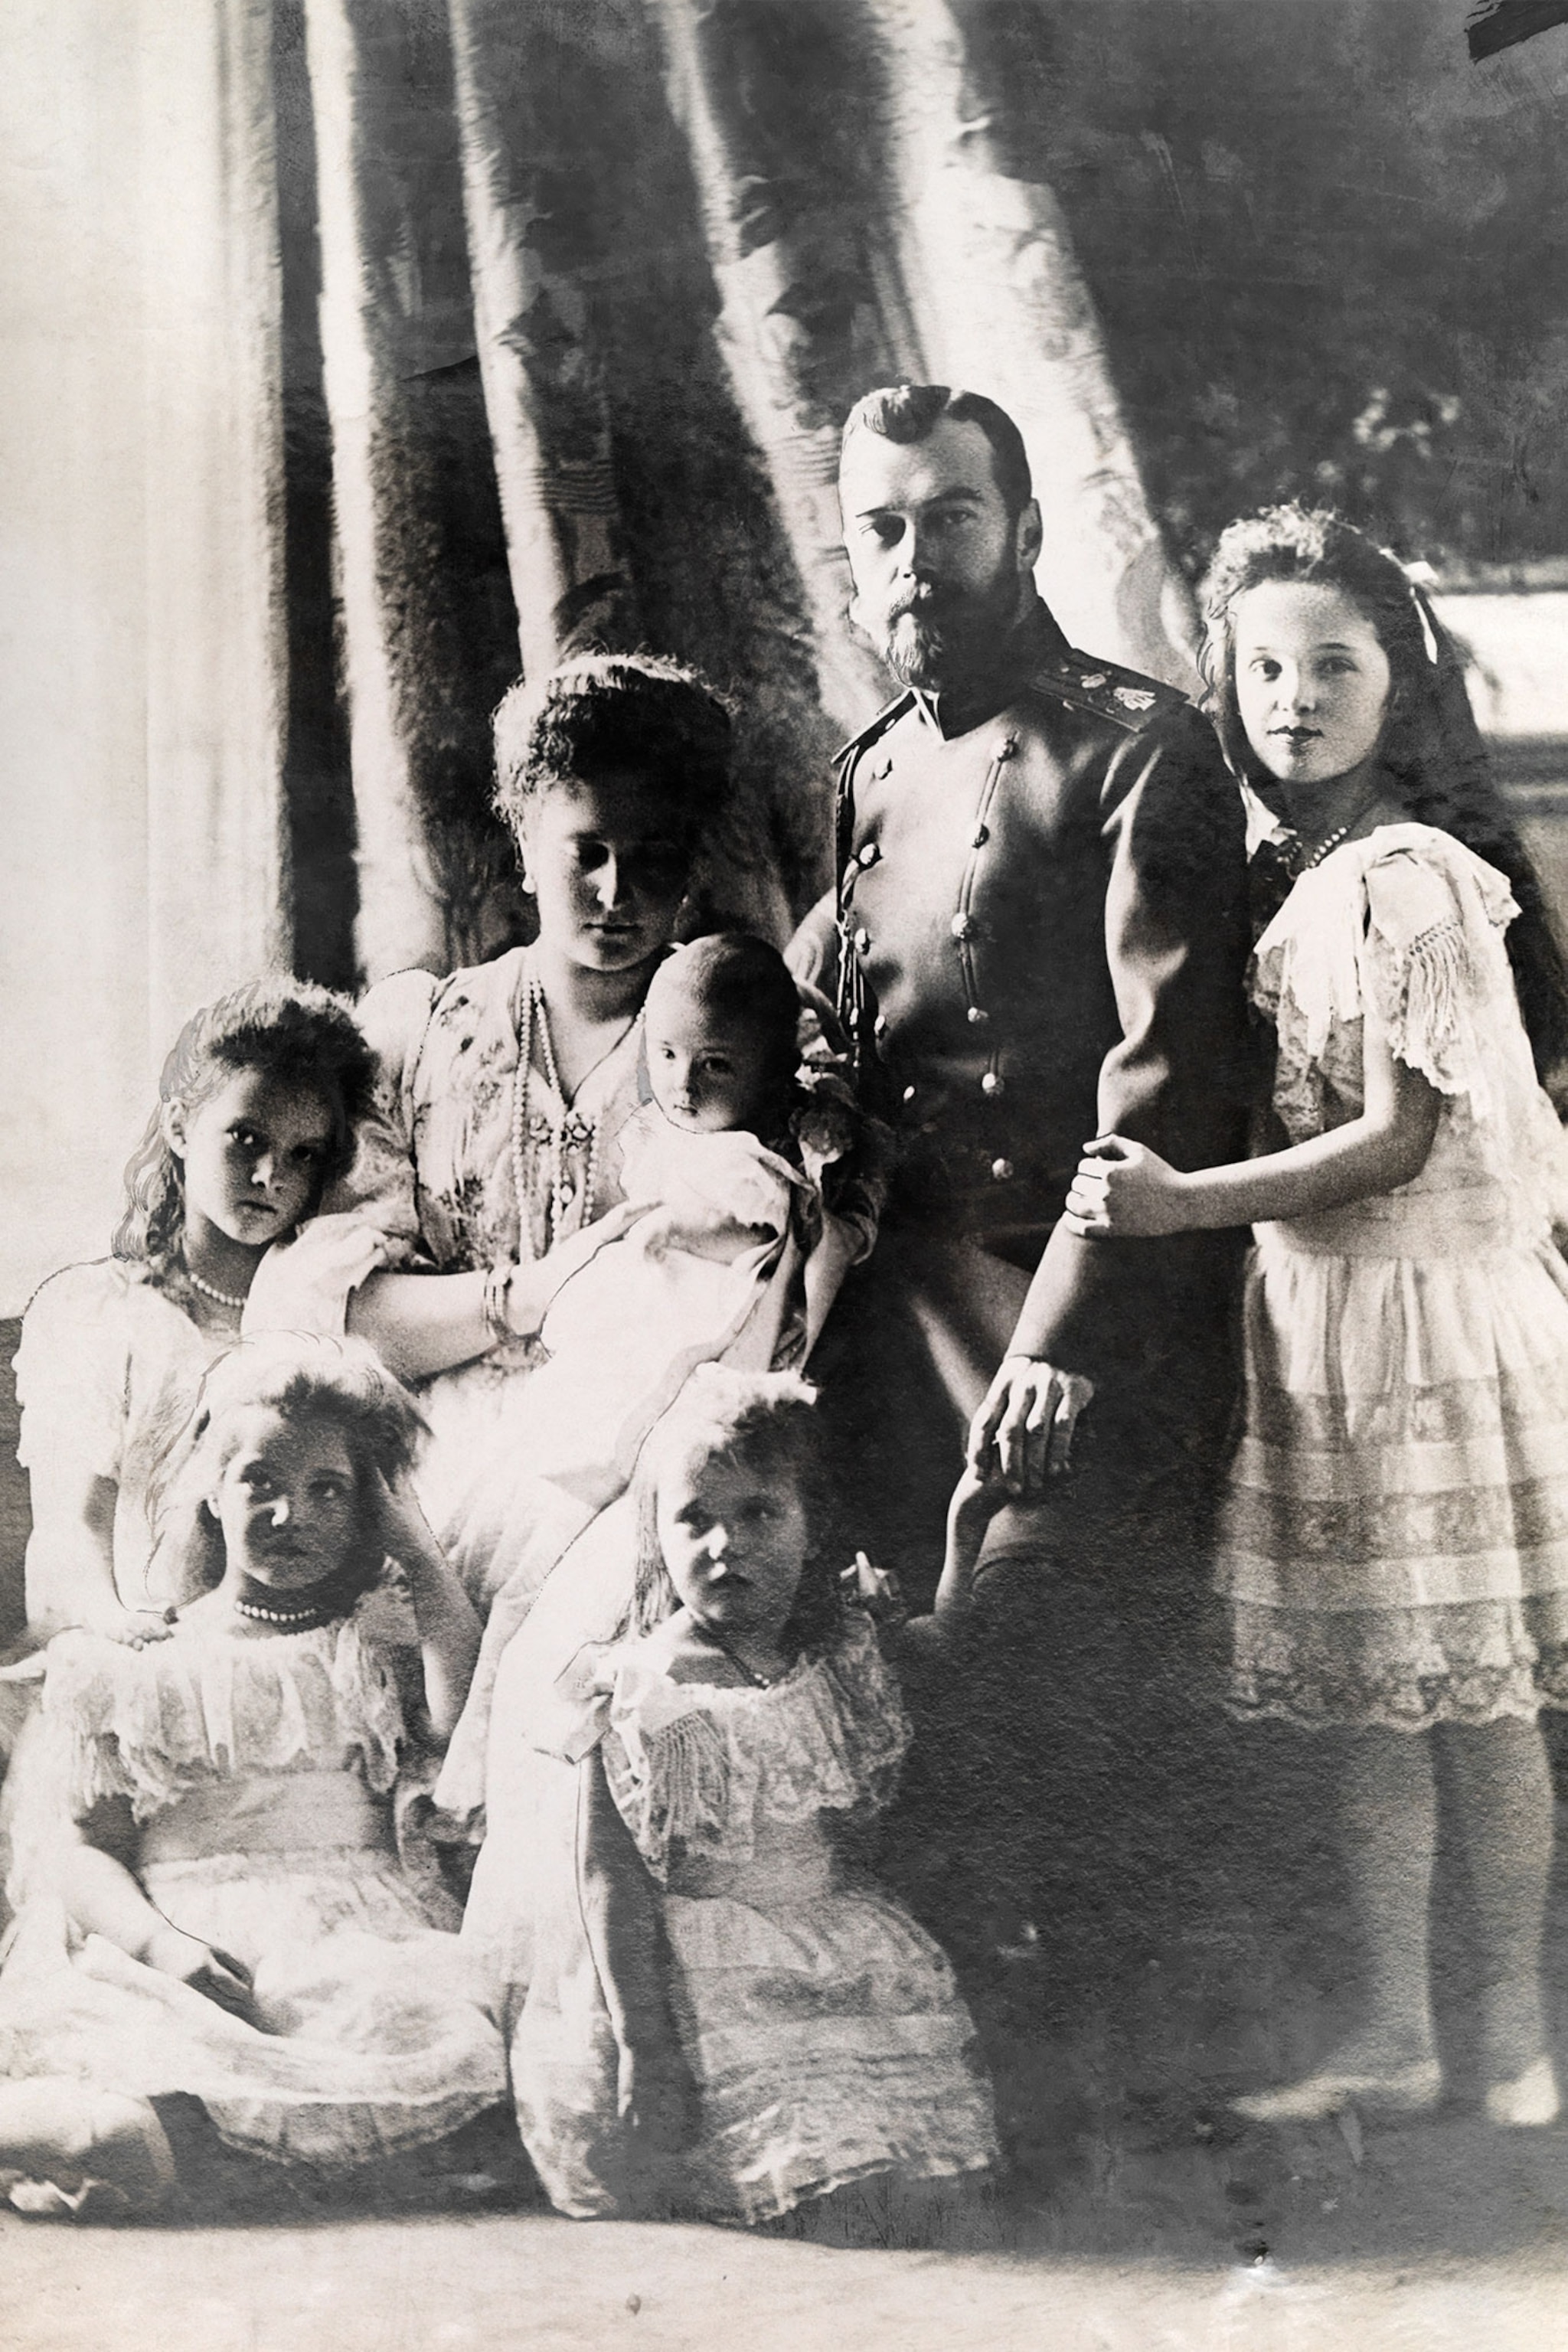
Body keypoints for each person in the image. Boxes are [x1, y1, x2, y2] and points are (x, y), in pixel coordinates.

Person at [1067, 505, 1568, 2129]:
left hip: (1413, 1325)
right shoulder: (1304, 876)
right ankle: (1401, 2030)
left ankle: (1511, 2037)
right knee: (1376, 1706)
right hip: (1330, 1325)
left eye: (1330, 666)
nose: (1292, 698)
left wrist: (1179, 1202)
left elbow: (1395, 1141)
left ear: (1396, 688)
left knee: (1473, 1703)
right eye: (1262, 667)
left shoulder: (1408, 880)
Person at [786, 382, 1254, 1981]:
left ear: (1028, 531)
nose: (918, 559)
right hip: (892, 1315)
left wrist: (1061, 1344)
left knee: (1015, 1651)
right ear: (854, 559)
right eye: (884, 529)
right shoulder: (862, 778)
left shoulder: (1142, 752)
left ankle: (1084, 2078)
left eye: (953, 518)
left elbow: (1167, 1082)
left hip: (1089, 1311)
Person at [485, 1365, 1001, 2233]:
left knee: (939, 2172)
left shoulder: (836, 1654)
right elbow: (605, 1877)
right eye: (694, 1519)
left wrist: (965, 1526)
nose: (724, 1545)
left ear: (811, 1530)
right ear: (657, 1538)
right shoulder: (634, 1685)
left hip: (828, 1936)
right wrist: (644, 2047)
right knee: (824, 2175)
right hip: (697, 1965)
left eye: (757, 1513)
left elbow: (942, 1662)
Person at [0, 1335, 507, 2218]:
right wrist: (167, 1948)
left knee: (435, 2040)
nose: (290, 1514)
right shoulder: (142, 1664)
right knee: (126, 2124)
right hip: (187, 1934)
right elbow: (79, 1855)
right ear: (210, 1490)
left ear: (367, 1509)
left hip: (354, 1934)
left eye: (328, 1491)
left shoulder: (367, 1644)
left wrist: (412, 1549)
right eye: (260, 1483)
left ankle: (219, 2159)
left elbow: (453, 1719)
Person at [327, 653, 743, 1566]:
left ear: (693, 865)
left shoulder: (744, 1054)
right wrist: (516, 1301)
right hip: (431, 1459)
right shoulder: (417, 1039)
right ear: (521, 847)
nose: (612, 893)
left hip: (644, 1467)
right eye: (584, 852)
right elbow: (349, 1318)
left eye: (651, 859)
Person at [14, 978, 381, 1645]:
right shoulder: (100, 1312)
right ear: (181, 1127)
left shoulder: (334, 1313)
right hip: (135, 1643)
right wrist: (121, 1627)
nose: (272, 1175)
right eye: (246, 1138)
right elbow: (67, 1535)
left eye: (304, 1154)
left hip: (294, 1658)